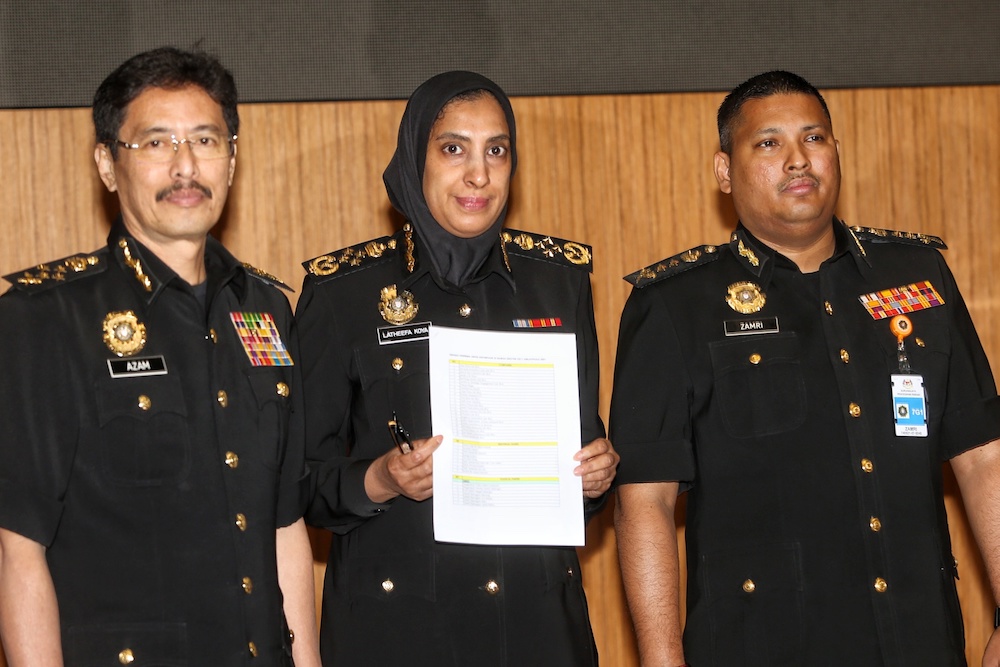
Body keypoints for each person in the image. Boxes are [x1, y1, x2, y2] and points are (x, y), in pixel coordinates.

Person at [610, 70, 1000, 666]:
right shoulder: (674, 305)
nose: (798, 160)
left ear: (836, 152)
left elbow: (983, 457)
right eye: (769, 143)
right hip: (762, 644)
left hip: (918, 639)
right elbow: (645, 501)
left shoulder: (918, 277)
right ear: (724, 171)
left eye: (813, 138)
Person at [0, 47, 319, 666]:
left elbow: (284, 522)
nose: (185, 166)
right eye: (155, 143)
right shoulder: (46, 317)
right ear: (108, 164)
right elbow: (18, 546)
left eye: (205, 140)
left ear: (232, 158)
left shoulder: (265, 311)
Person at [296, 70, 619, 665]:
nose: (479, 175)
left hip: (537, 627)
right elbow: (300, 483)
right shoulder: (342, 294)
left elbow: (579, 453)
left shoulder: (557, 283)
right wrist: (382, 478)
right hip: (399, 631)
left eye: (497, 151)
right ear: (414, 160)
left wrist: (596, 477)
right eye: (453, 149)